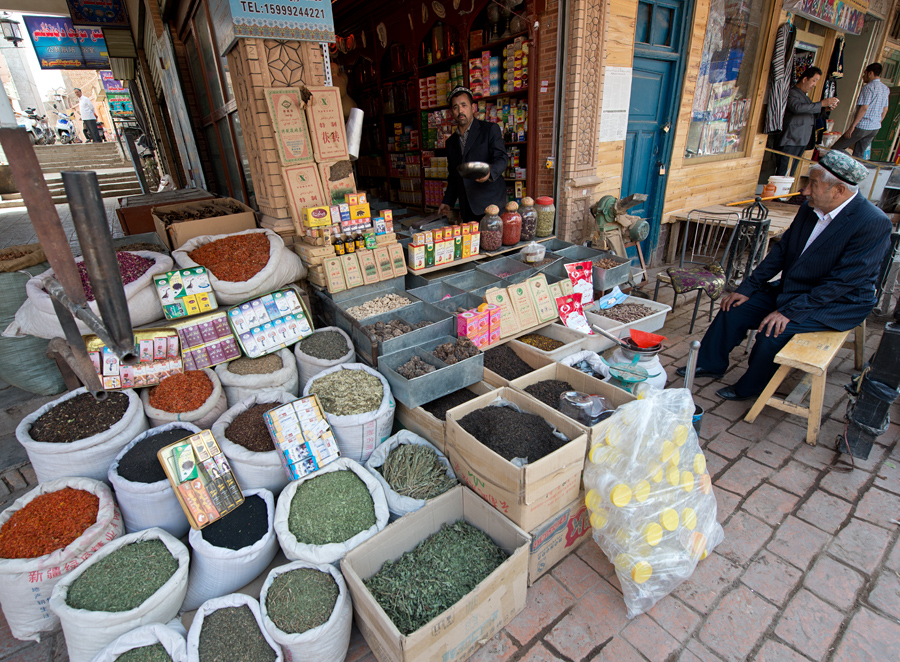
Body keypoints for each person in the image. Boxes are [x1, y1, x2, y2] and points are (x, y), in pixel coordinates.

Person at [677, 150, 892, 400]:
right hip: (793, 289)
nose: (806, 191)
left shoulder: (872, 222)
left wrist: (789, 311)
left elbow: (844, 281)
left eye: (813, 184)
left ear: (839, 191)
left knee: (772, 332)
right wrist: (749, 287)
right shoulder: (809, 209)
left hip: (838, 301)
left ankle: (751, 388)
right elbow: (781, 251)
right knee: (732, 308)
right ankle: (710, 363)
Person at [437, 86, 508, 224]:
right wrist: (447, 202)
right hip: (468, 207)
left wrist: (489, 173)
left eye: (464, 105)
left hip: (491, 206)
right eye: (456, 107)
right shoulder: (451, 142)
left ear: (473, 107)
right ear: (452, 112)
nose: (460, 110)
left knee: (492, 244)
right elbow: (454, 175)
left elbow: (502, 158)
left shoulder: (489, 130)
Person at [775, 67, 839, 176]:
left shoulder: (804, 97)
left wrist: (826, 109)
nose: (814, 84)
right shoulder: (792, 93)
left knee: (790, 173)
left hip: (800, 140)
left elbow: (811, 114)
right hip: (791, 140)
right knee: (784, 172)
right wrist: (821, 104)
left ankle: (783, 192)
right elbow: (797, 108)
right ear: (805, 79)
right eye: (814, 80)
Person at [831, 63, 890, 158]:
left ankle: (845, 162)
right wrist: (877, 122)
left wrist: (852, 127)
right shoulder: (885, 88)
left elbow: (864, 108)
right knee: (859, 154)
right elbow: (885, 109)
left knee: (836, 148)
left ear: (870, 73)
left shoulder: (868, 88)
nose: (863, 76)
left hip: (862, 126)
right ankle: (854, 171)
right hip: (874, 128)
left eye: (864, 73)